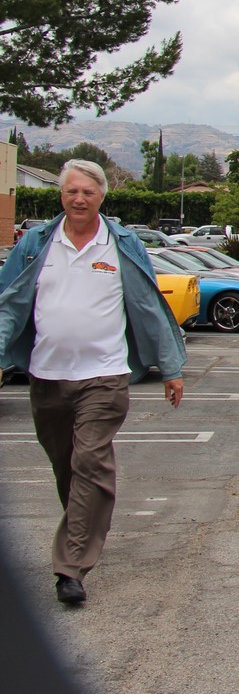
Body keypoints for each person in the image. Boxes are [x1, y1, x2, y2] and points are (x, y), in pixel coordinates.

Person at [0, 159, 187, 606]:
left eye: (87, 192)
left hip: (104, 376)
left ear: (102, 196)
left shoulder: (121, 244)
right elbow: (8, 303)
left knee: (90, 462)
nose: (79, 199)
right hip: (46, 376)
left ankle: (70, 568)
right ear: (61, 195)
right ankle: (82, 530)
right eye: (71, 191)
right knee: (67, 467)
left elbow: (148, 305)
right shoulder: (36, 244)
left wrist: (171, 367)